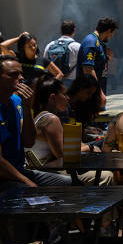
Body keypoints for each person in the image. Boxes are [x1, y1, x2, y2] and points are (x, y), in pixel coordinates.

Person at [0, 56, 70, 191]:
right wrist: (28, 182)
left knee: (67, 183)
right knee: (31, 192)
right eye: (14, 75)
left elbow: (28, 141)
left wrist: (27, 107)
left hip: (19, 170)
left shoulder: (16, 101)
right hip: (5, 177)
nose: (20, 78)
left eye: (21, 74)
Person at [28, 75, 113, 186]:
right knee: (106, 176)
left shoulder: (40, 116)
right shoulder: (51, 119)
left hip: (46, 170)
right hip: (50, 174)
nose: (67, 98)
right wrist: (89, 147)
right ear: (53, 98)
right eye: (64, 94)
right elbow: (63, 156)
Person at [76, 17, 118, 98]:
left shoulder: (98, 42)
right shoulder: (91, 41)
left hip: (95, 92)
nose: (111, 37)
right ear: (109, 31)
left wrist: (107, 57)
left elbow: (97, 63)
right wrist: (99, 92)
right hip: (89, 93)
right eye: (112, 34)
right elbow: (88, 69)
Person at [43, 20, 80, 87]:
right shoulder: (77, 47)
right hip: (70, 83)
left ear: (61, 30)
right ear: (74, 31)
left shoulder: (50, 45)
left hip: (52, 81)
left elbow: (45, 64)